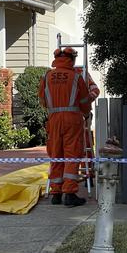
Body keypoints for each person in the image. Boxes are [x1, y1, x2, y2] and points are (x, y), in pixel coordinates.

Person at [38, 47, 100, 207]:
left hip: (53, 119)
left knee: (56, 154)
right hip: (72, 119)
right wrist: (85, 114)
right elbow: (85, 101)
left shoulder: (47, 76)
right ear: (71, 59)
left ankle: (56, 193)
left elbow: (42, 100)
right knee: (72, 154)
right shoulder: (76, 76)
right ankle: (70, 193)